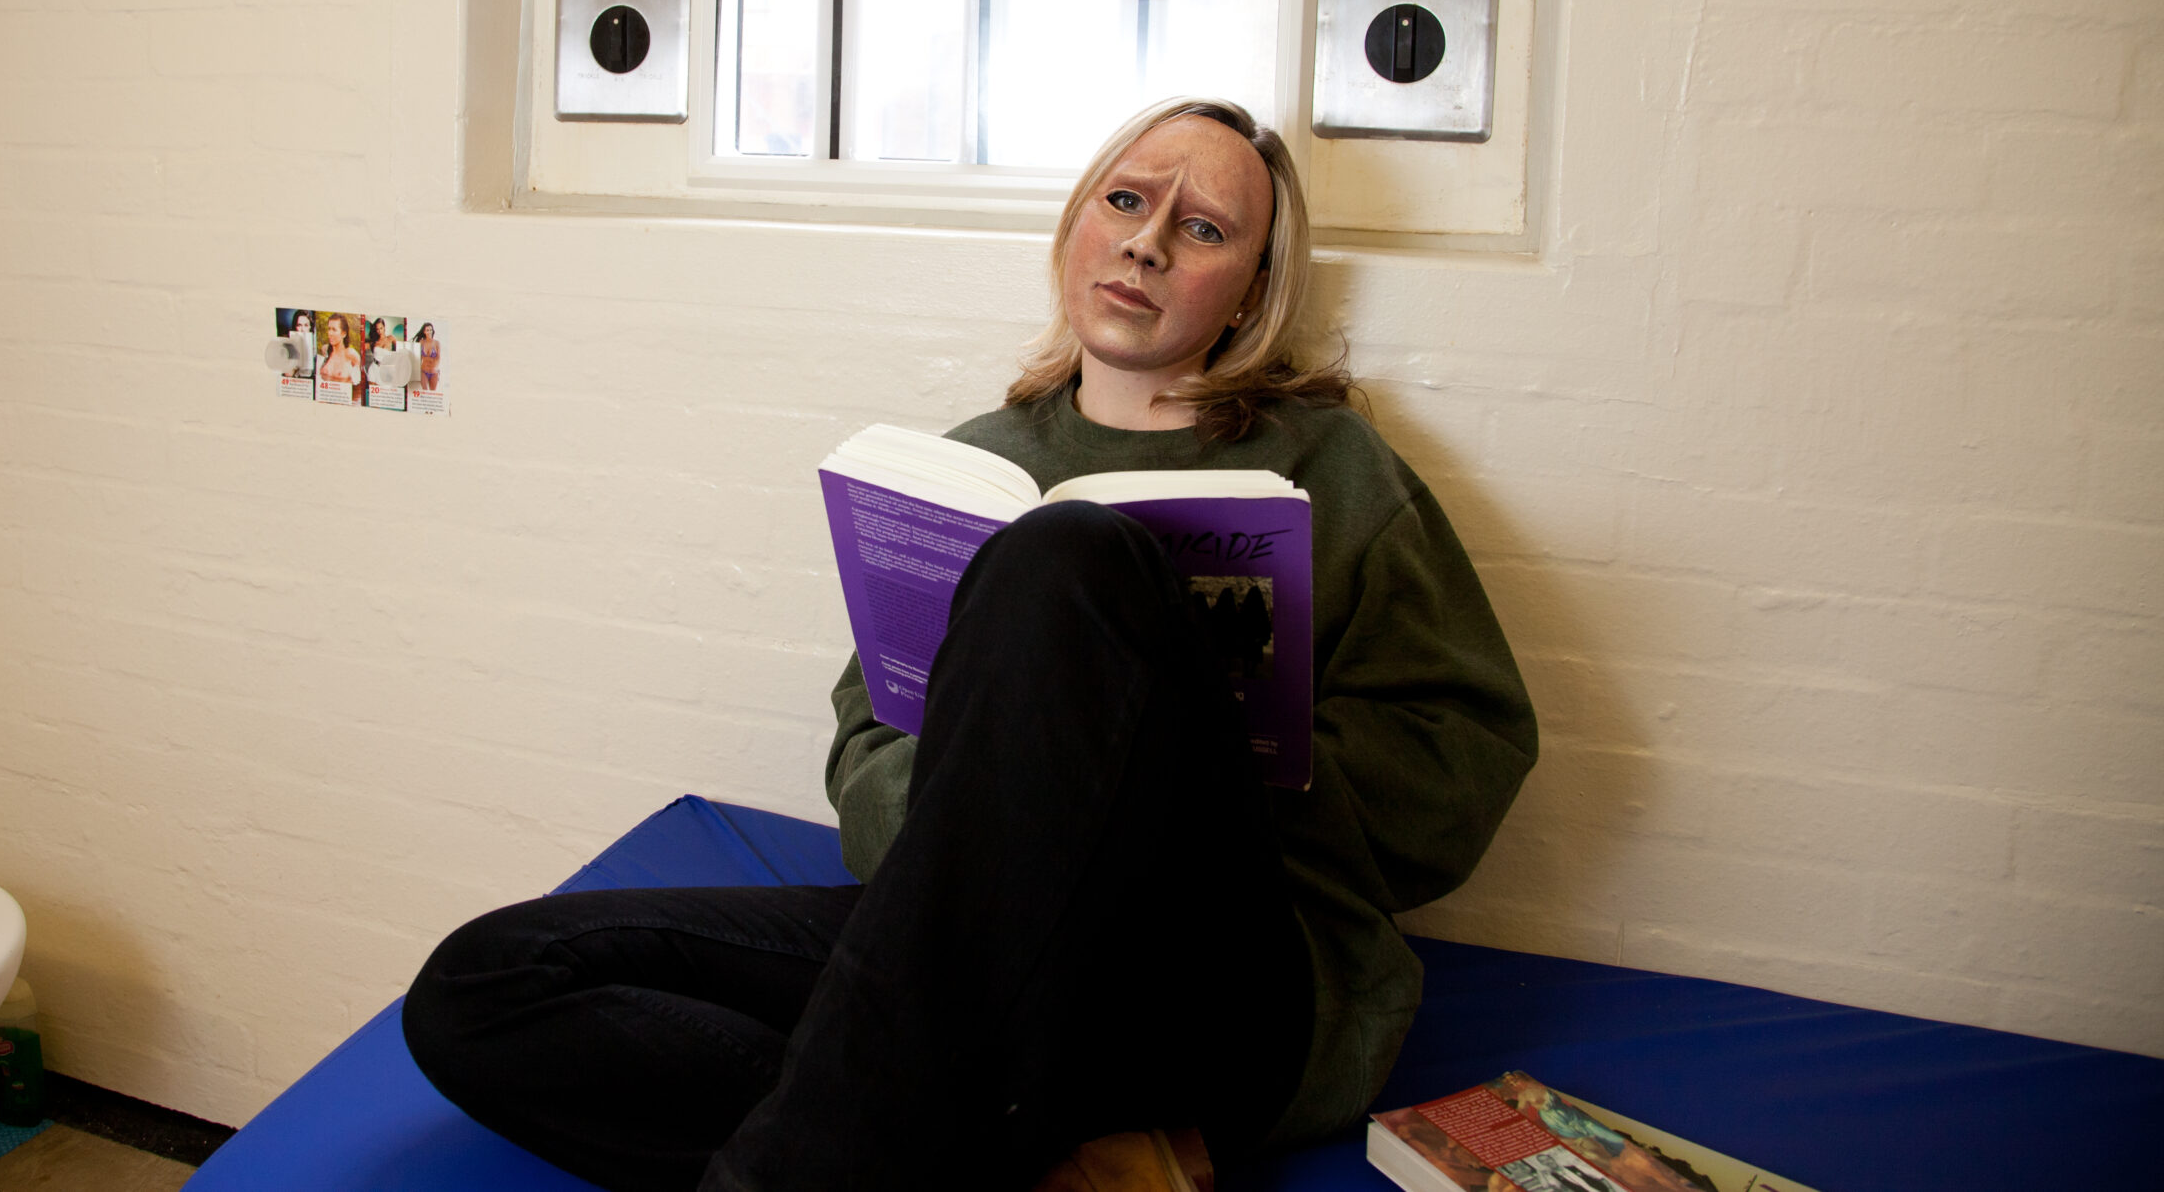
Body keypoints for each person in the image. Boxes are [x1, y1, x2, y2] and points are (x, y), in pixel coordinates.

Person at [401, 99, 1537, 1192]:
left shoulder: (1328, 466)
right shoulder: (973, 461)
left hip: (1219, 974)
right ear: (1075, 228)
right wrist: (984, 822)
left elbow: (1461, 766)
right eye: (1126, 200)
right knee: (484, 985)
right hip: (973, 960)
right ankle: (1048, 1166)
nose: (1144, 244)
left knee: (1070, 561)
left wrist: (1199, 756)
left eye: (1199, 229)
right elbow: (867, 742)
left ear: (1248, 293)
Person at [318, 314, 363, 390]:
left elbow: (361, 383)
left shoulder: (351, 354)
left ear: (344, 333)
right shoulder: (325, 349)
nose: (330, 333)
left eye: (334, 330)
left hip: (342, 397)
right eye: (329, 329)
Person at [415, 322, 441, 392]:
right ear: (424, 332)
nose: (429, 332)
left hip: (434, 372)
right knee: (425, 391)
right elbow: (419, 357)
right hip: (423, 371)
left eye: (430, 330)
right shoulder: (421, 342)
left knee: (432, 393)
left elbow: (438, 358)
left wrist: (427, 359)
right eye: (427, 330)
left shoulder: (436, 343)